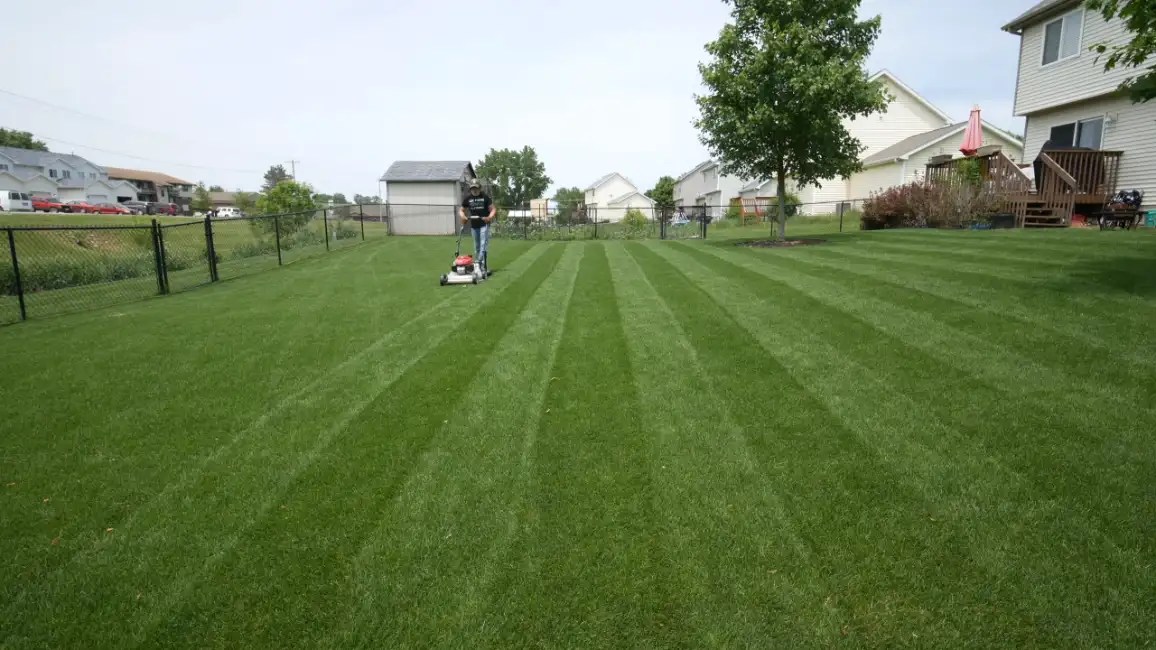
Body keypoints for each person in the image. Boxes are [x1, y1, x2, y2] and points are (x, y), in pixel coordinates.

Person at [460, 180, 495, 272]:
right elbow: (461, 210)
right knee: (477, 246)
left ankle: (482, 265)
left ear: (479, 188)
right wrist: (463, 216)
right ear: (470, 189)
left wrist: (489, 217)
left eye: (476, 188)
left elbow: (493, 210)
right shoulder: (468, 198)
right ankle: (478, 265)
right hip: (474, 226)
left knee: (483, 245)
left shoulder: (485, 197)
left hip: (484, 224)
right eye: (473, 188)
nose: (474, 190)